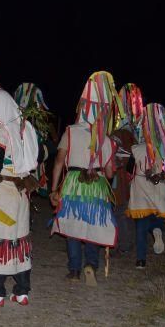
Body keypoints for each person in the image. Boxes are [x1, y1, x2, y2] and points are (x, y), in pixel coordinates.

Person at [50, 71, 120, 286]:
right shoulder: (106, 139)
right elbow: (109, 173)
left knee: (72, 227)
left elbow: (59, 162)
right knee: (92, 226)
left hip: (73, 183)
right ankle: (91, 264)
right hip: (96, 184)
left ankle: (74, 270)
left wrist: (54, 189)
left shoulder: (70, 131)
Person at [0, 88, 39, 307]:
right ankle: (22, 292)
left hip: (2, 192)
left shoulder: (0, 132)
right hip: (20, 192)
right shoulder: (23, 130)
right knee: (18, 237)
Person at [126, 103, 165, 268]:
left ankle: (141, 260)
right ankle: (157, 230)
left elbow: (129, 170)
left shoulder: (136, 148)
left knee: (141, 224)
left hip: (141, 186)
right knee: (155, 217)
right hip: (160, 187)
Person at [111, 83, 145, 254]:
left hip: (120, 179)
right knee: (125, 211)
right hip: (131, 179)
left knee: (119, 211)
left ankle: (121, 244)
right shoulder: (134, 136)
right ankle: (125, 242)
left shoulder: (118, 135)